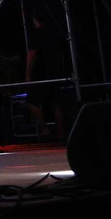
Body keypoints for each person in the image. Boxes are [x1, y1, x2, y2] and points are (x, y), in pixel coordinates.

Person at [24, 12, 66, 141]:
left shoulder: (37, 34)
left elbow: (32, 54)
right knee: (56, 103)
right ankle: (60, 133)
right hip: (56, 71)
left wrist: (28, 75)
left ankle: (45, 130)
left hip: (41, 73)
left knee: (31, 101)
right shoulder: (55, 32)